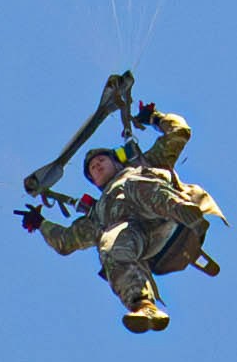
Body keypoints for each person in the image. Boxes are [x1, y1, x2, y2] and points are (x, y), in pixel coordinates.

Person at [19, 100, 225, 332]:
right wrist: (41, 224)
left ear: (116, 161)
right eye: (91, 169)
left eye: (101, 161)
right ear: (93, 182)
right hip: (147, 241)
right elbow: (65, 241)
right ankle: (143, 304)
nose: (96, 166)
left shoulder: (145, 165)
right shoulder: (97, 215)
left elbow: (180, 132)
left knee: (133, 184)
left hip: (170, 216)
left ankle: (186, 212)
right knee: (108, 242)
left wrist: (154, 118)